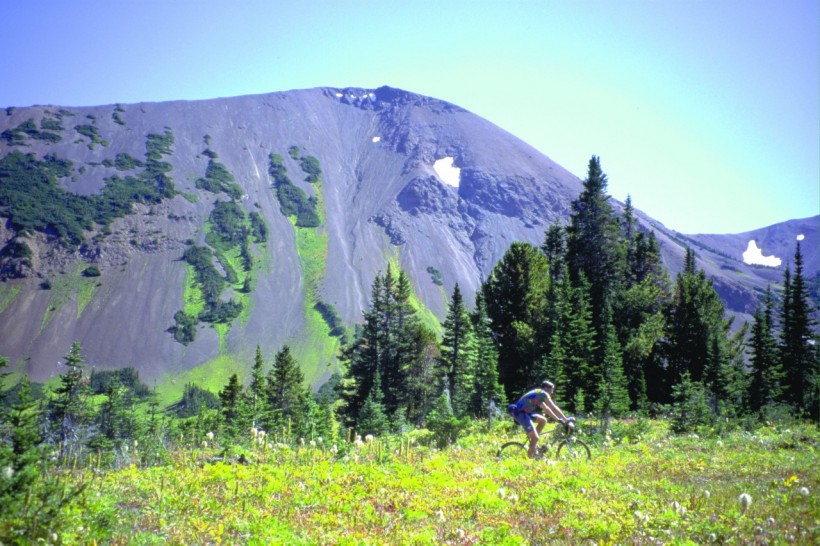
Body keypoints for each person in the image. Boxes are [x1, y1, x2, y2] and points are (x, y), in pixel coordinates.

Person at [507, 380, 568, 458]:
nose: (552, 392)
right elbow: (553, 407)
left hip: (526, 413)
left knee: (543, 420)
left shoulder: (538, 394)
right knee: (535, 437)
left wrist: (558, 419)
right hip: (520, 413)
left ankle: (533, 444)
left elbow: (547, 409)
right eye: (552, 389)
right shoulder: (543, 393)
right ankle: (529, 460)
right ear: (546, 388)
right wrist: (565, 420)